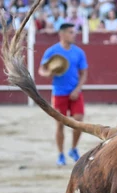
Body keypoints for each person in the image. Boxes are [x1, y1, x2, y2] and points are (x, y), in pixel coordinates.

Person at [39, 23, 88, 166]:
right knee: (60, 124)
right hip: (59, 93)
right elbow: (42, 69)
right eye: (71, 32)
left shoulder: (79, 52)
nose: (75, 35)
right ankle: (60, 154)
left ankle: (73, 149)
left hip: (75, 92)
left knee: (78, 122)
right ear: (62, 34)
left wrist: (77, 89)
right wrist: (49, 73)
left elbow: (84, 74)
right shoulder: (52, 51)